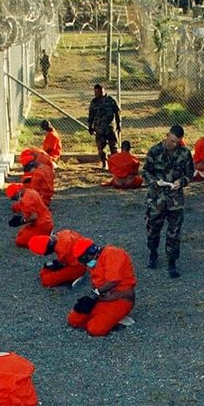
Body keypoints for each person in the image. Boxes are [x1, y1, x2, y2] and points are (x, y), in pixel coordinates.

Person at [141, 124, 195, 278]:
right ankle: (153, 254)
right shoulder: (155, 151)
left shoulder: (184, 153)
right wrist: (154, 182)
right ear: (167, 136)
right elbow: (145, 171)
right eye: (172, 141)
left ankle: (172, 262)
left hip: (175, 201)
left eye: (177, 142)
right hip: (156, 199)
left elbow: (190, 173)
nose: (174, 145)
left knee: (174, 233)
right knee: (153, 230)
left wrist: (181, 181)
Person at [67, 238, 136, 337]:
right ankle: (111, 318)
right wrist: (93, 297)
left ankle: (116, 319)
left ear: (90, 252)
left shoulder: (112, 254)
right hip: (103, 297)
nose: (85, 263)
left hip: (121, 297)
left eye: (84, 259)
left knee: (95, 329)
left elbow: (113, 281)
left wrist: (95, 292)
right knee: (73, 320)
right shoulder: (95, 259)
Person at [6, 183, 52, 249]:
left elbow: (34, 217)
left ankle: (45, 239)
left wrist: (21, 221)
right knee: (20, 233)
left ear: (17, 192)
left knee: (20, 241)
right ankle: (43, 235)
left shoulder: (26, 200)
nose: (15, 199)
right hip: (45, 220)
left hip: (42, 224)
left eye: (14, 197)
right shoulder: (29, 191)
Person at [87, 83, 121, 169]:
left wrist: (119, 124)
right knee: (101, 148)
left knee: (114, 147)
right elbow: (91, 115)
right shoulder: (94, 102)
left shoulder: (111, 100)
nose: (96, 94)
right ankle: (104, 163)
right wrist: (90, 126)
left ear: (103, 90)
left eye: (98, 92)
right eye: (95, 92)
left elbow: (117, 113)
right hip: (99, 129)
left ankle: (115, 164)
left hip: (110, 128)